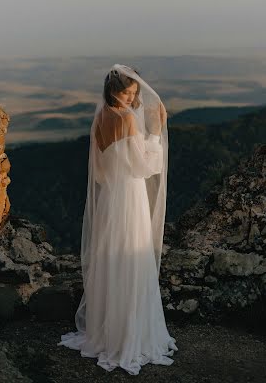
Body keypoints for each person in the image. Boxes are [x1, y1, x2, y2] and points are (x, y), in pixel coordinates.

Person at [57, 63, 178, 375]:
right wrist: (155, 135)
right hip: (130, 196)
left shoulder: (100, 117)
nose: (131, 99)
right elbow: (145, 167)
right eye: (127, 93)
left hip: (111, 197)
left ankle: (108, 331)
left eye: (134, 93)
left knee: (112, 259)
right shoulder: (126, 118)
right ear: (113, 91)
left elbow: (99, 171)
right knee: (131, 259)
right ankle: (129, 336)